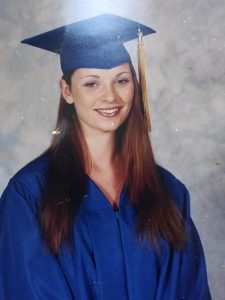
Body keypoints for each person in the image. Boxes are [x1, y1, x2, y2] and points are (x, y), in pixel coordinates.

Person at [0, 14, 211, 300]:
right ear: (67, 91)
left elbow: (189, 289)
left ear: (135, 86)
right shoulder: (28, 194)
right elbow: (29, 290)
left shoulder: (169, 191)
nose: (110, 96)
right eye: (91, 83)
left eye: (121, 80)